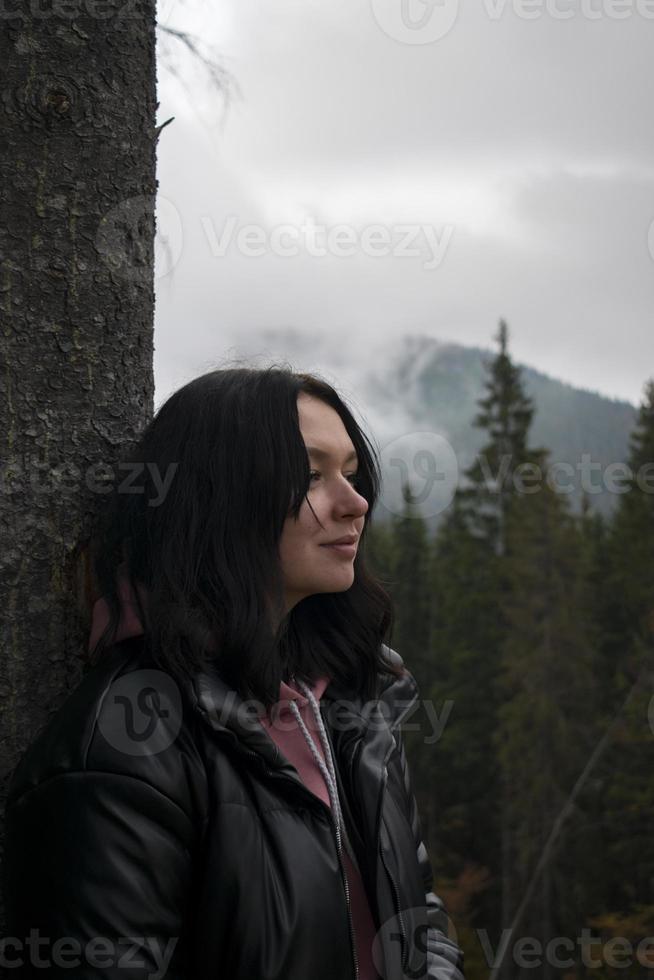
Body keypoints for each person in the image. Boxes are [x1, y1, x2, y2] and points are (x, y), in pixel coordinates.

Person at [3, 364, 465, 980]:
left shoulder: (357, 695)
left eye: (351, 475)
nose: (355, 504)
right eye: (311, 476)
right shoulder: (123, 752)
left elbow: (419, 913)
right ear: (219, 498)